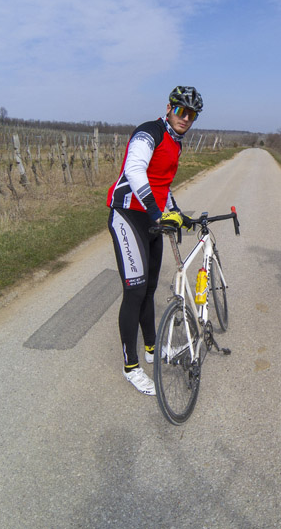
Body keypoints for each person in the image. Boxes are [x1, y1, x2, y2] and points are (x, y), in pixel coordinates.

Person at [106, 86, 202, 395]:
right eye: (181, 110)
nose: (185, 118)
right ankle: (131, 367)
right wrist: (156, 213)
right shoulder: (150, 132)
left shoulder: (176, 143)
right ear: (169, 108)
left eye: (192, 115)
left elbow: (163, 185)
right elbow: (134, 170)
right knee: (134, 291)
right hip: (128, 215)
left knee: (149, 288)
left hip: (151, 217)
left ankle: (152, 348)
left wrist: (177, 214)